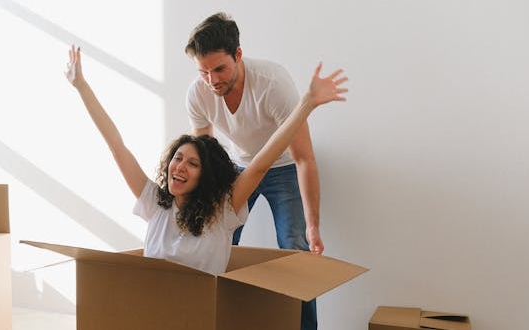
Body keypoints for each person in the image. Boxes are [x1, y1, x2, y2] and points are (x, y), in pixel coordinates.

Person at [64, 44, 346, 277]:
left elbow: (262, 161)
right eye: (178, 158)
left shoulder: (222, 212)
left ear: (204, 176)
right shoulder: (155, 203)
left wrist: (306, 104)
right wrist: (81, 86)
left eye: (192, 164)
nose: (180, 166)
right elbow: (117, 146)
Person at [184, 12, 338, 329]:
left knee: (295, 250)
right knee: (217, 246)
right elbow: (206, 160)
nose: (212, 80)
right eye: (204, 72)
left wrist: (313, 226)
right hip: (241, 167)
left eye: (220, 69)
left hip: (284, 167)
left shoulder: (273, 85)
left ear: (238, 54)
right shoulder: (197, 94)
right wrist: (203, 217)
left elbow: (304, 159)